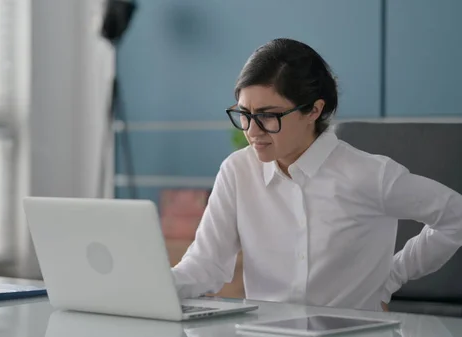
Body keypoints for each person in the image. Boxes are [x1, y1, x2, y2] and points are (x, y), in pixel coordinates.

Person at [171, 38, 462, 312]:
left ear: (313, 110)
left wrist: (391, 276)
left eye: (268, 115)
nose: (251, 130)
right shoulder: (237, 171)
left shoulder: (369, 174)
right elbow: (205, 264)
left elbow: (455, 215)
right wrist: (152, 289)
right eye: (244, 113)